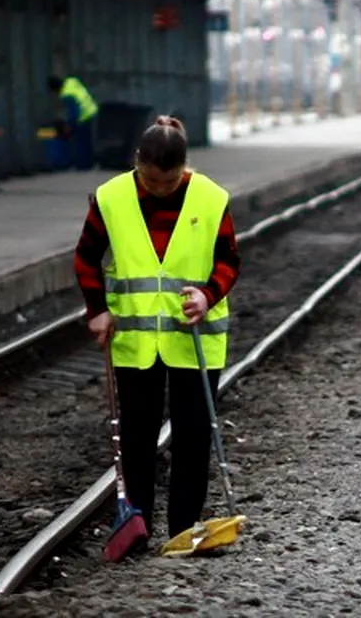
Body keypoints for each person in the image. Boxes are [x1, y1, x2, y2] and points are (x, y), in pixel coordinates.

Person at [73, 115, 242, 544]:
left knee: (193, 436)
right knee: (136, 435)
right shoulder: (111, 197)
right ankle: (137, 523)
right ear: (137, 163)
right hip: (135, 341)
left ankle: (184, 529)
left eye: (168, 182)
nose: (159, 189)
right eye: (151, 181)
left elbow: (229, 260)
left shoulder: (210, 197)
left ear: (184, 168)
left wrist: (208, 295)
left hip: (195, 340)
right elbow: (86, 256)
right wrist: (97, 310)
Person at [48, 74, 98, 171]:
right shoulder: (71, 82)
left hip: (83, 116)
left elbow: (74, 111)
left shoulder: (67, 93)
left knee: (81, 142)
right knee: (87, 140)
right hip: (91, 110)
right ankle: (89, 163)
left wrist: (70, 124)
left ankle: (83, 165)